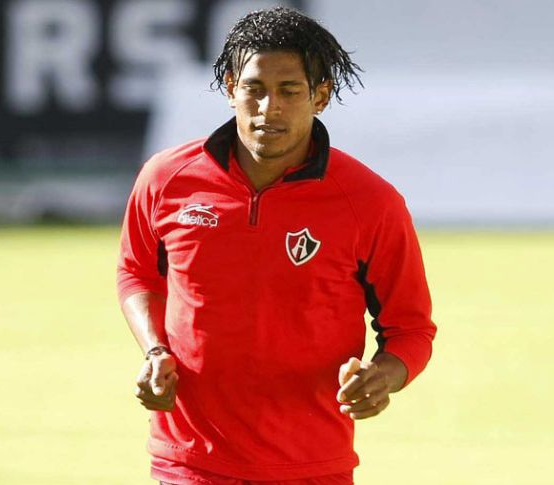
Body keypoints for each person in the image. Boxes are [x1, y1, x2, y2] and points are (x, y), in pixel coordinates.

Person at [116, 6, 437, 484]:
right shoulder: (166, 178)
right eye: (254, 89)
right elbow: (137, 273)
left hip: (312, 466)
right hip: (189, 463)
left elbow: (411, 329)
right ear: (231, 88)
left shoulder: (370, 201)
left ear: (320, 96)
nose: (269, 108)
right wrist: (155, 350)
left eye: (289, 90)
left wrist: (382, 378)